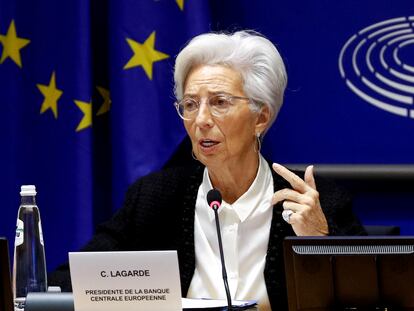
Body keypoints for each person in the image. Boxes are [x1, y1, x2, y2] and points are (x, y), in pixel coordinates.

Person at [49, 30, 365, 310]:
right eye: (190, 105)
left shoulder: (313, 201)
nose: (201, 120)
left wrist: (319, 241)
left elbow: (367, 297)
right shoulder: (156, 199)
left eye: (219, 102)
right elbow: (72, 280)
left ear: (260, 118)